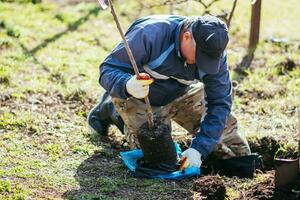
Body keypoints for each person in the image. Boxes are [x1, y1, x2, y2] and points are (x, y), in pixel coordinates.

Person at [88, 14, 251, 169]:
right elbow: (108, 69)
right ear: (186, 36)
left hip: (181, 93)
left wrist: (199, 149)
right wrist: (127, 85)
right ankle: (111, 109)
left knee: (236, 151)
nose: (202, 63)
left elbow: (219, 102)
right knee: (159, 159)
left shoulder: (214, 54)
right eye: (200, 56)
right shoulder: (149, 33)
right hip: (141, 97)